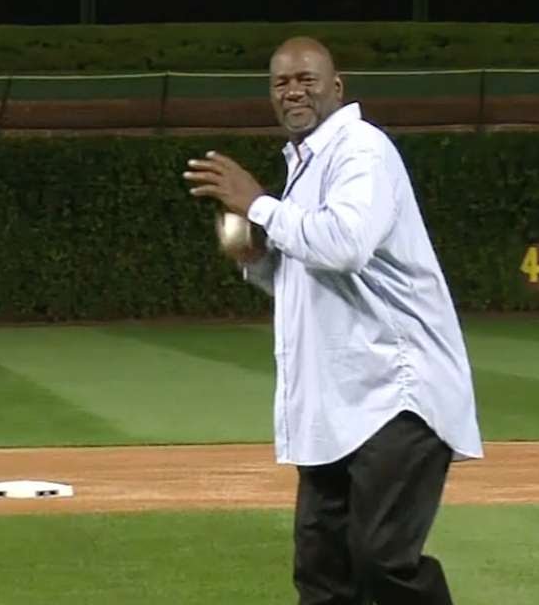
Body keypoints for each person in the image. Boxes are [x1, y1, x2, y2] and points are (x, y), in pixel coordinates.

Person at [183, 37, 484, 605]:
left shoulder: (360, 150)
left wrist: (259, 205)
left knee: (382, 560)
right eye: (281, 82)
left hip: (398, 393)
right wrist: (258, 260)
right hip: (337, 403)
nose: (293, 90)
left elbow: (345, 246)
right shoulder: (309, 162)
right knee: (322, 570)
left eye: (306, 79)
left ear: (336, 87)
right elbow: (313, 279)